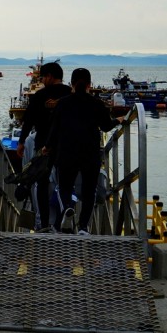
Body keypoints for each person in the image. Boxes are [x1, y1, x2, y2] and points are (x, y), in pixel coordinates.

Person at [41, 68, 124, 234]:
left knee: (64, 188)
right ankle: (84, 227)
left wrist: (47, 147)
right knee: (89, 191)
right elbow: (106, 126)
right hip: (90, 153)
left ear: (71, 84)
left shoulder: (62, 103)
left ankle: (67, 210)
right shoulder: (96, 103)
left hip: (66, 152)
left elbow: (54, 128)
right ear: (89, 84)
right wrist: (118, 120)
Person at [16, 62, 72, 230]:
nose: (41, 80)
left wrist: (21, 142)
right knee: (65, 184)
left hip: (43, 146)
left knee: (42, 183)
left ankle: (45, 223)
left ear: (49, 76)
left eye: (42, 77)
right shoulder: (70, 94)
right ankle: (64, 219)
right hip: (65, 145)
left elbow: (28, 120)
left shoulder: (40, 96)